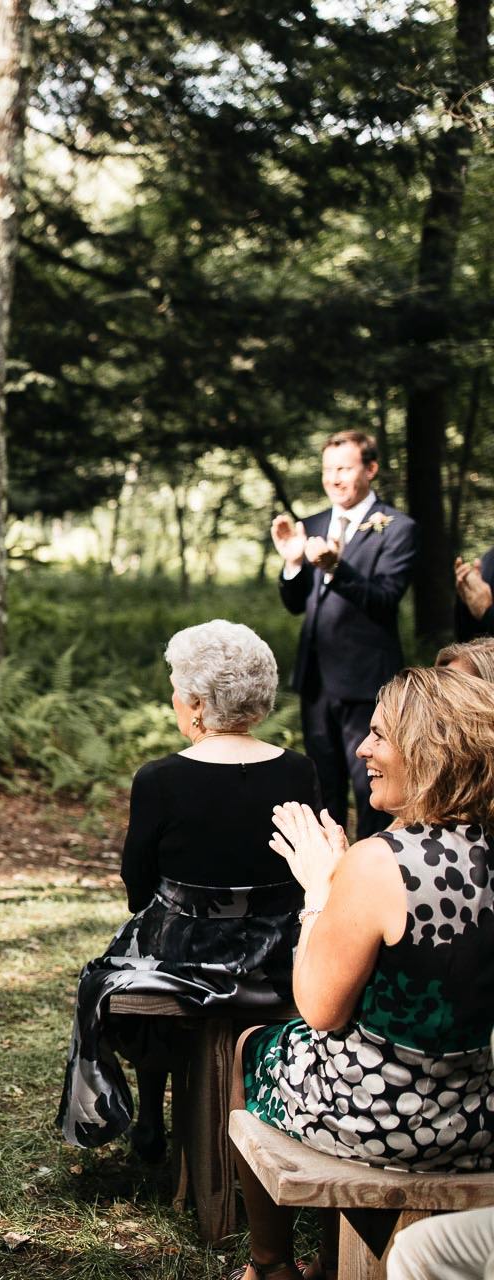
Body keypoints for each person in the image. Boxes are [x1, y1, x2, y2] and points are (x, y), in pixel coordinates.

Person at [234, 666, 494, 1280]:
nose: (362, 749)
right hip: (481, 1118)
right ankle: (331, 1259)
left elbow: (320, 1010)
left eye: (380, 736)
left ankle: (272, 1265)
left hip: (385, 1121)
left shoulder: (380, 862)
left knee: (256, 1046)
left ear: (428, 751)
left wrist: (319, 889)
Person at [58, 621, 320, 1158]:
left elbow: (137, 886)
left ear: (197, 703)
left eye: (177, 688)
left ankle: (149, 1116)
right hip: (280, 961)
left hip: (186, 964)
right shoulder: (300, 771)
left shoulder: (159, 779)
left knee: (133, 950)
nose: (174, 699)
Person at [272, 429, 417, 837]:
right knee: (323, 789)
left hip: (367, 682)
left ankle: (373, 864)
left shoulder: (398, 528)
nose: (333, 479)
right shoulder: (313, 523)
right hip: (316, 682)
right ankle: (328, 870)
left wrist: (337, 568)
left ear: (370, 469)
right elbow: (296, 603)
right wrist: (293, 564)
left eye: (344, 469)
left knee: (371, 787)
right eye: (328, 469)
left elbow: (385, 599)